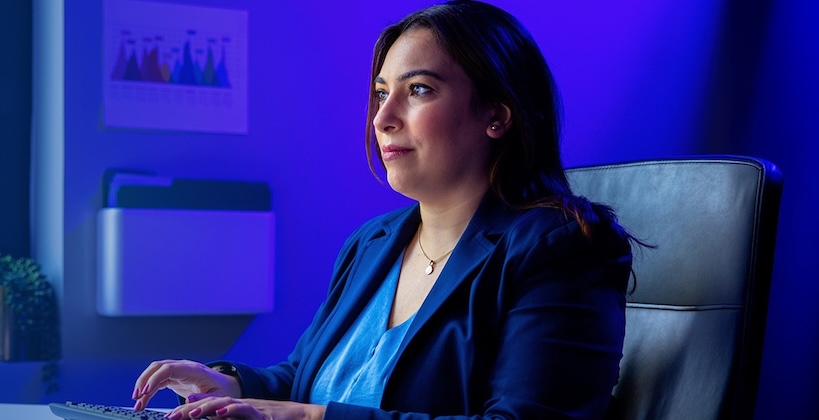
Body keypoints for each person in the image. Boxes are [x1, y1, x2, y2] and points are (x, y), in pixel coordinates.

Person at [132, 1, 636, 418]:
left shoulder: (561, 247)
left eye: (418, 90)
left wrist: (309, 418)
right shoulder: (372, 242)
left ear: (496, 117)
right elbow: (308, 375)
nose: (383, 117)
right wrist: (229, 386)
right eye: (380, 93)